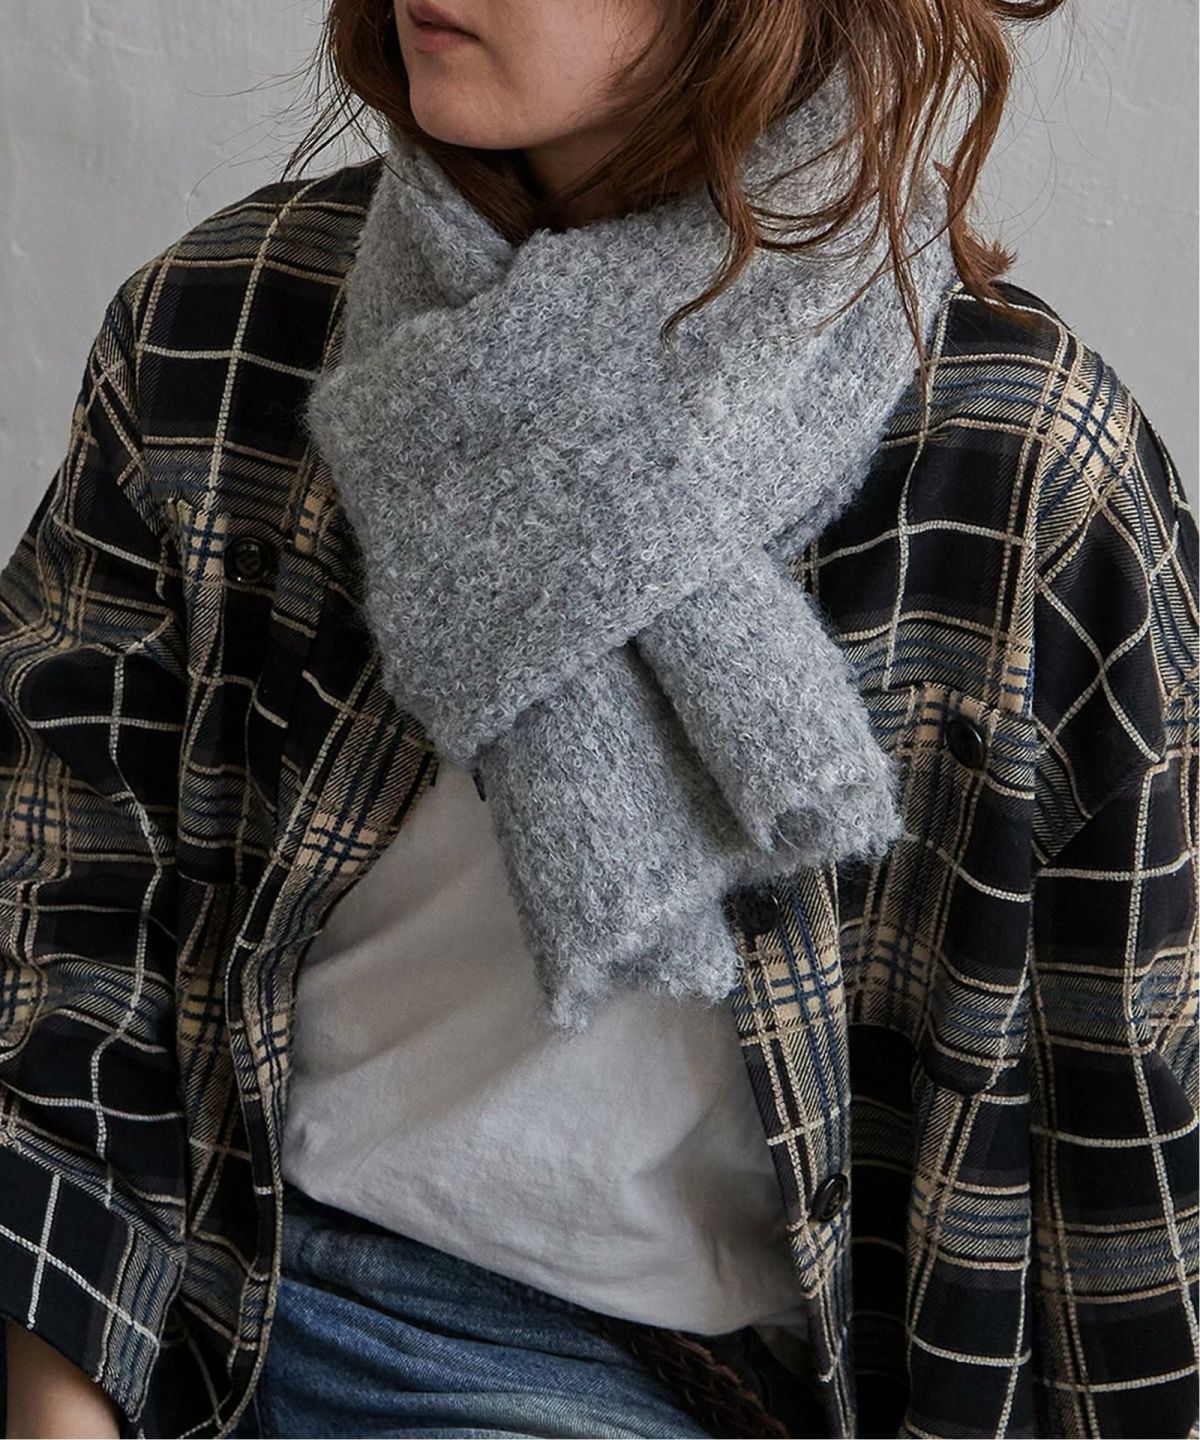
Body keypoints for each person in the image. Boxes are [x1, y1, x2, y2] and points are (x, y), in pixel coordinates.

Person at [1, 0, 1197, 1436]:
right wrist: (58, 1393)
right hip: (176, 1276)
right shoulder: (230, 322)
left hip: (600, 1366)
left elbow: (1124, 1134)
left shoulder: (1018, 474)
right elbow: (58, 899)